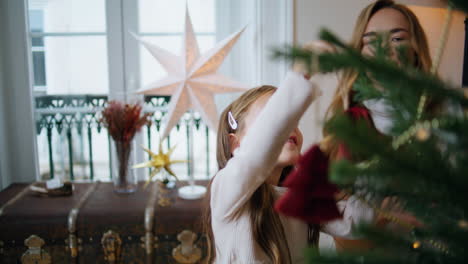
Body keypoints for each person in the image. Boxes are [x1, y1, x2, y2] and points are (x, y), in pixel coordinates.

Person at [276, 0, 432, 252]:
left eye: (397, 38)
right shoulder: (350, 127)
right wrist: (383, 216)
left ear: (416, 48)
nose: (385, 49)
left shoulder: (441, 120)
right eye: (371, 41)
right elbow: (349, 242)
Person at [204, 70, 374, 263]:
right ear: (236, 145)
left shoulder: (302, 196)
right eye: (278, 122)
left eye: (293, 121)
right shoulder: (225, 188)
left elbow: (357, 221)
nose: (289, 126)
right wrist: (300, 74)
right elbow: (253, 157)